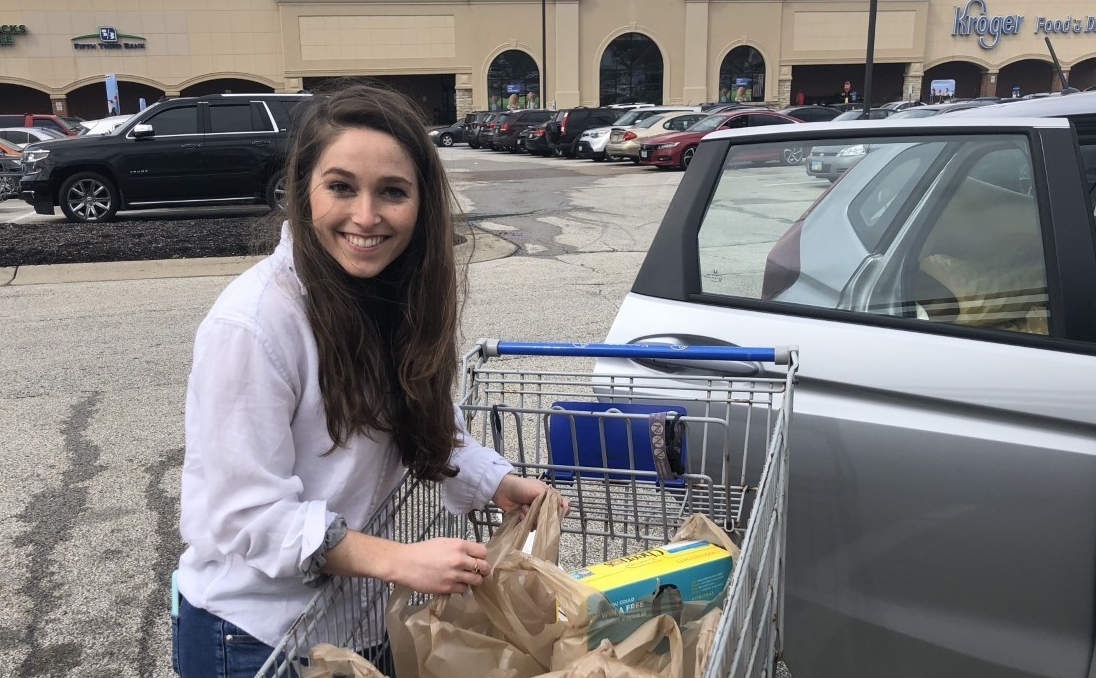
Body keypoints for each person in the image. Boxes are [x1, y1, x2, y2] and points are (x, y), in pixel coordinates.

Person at [172, 82, 557, 678]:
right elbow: (244, 514)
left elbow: (422, 419)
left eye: (392, 192)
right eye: (341, 187)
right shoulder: (252, 324)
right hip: (256, 640)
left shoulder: (388, 291)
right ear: (303, 189)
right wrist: (399, 560)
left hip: (355, 624)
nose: (367, 216)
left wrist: (495, 482)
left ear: (421, 204)